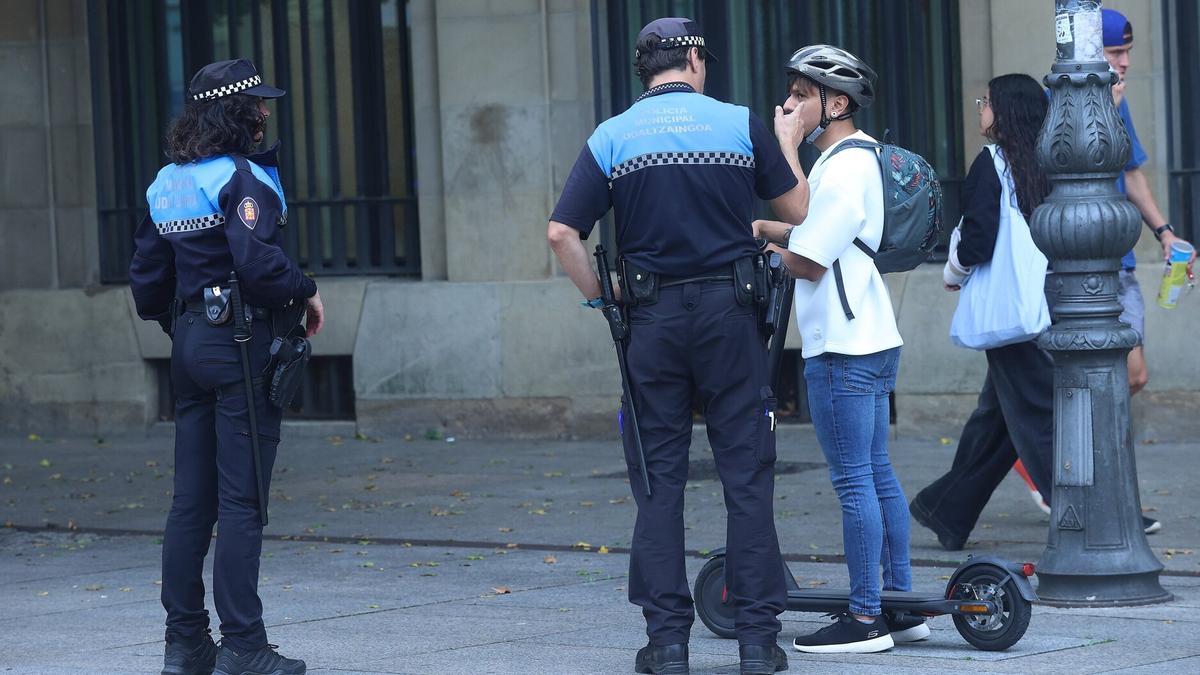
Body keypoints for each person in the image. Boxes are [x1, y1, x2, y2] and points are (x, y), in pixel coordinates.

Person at [547, 17, 808, 675]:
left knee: (658, 480)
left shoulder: (612, 137)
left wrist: (600, 298)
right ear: (692, 60)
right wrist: (787, 141)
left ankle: (667, 643)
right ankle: (755, 640)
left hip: (652, 319)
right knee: (745, 476)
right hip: (731, 315)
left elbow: (561, 233)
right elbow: (798, 211)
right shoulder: (740, 123)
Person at [130, 58, 323, 675]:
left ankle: (185, 644)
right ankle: (244, 646)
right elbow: (259, 264)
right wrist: (307, 287)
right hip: (239, 342)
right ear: (234, 112)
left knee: (191, 503)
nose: (266, 113)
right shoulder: (242, 177)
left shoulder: (165, 182)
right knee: (242, 503)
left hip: (189, 344)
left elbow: (146, 285)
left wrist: (186, 323)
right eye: (258, 104)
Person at [754, 45, 926, 654]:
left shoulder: (843, 165)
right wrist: (765, 229)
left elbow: (808, 257)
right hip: (869, 338)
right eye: (792, 95)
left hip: (844, 349)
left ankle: (865, 617)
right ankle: (900, 604)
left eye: (802, 96)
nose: (789, 105)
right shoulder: (849, 160)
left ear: (837, 103)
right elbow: (813, 229)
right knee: (877, 476)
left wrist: (780, 150)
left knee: (856, 482)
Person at [909, 74, 1056, 552]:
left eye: (985, 102)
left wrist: (953, 270)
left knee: (1035, 419)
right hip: (1044, 307)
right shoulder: (1048, 161)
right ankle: (946, 510)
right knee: (995, 421)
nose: (979, 110)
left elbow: (976, 239)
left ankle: (1081, 515)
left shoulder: (993, 163)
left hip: (1011, 317)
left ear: (1005, 112)